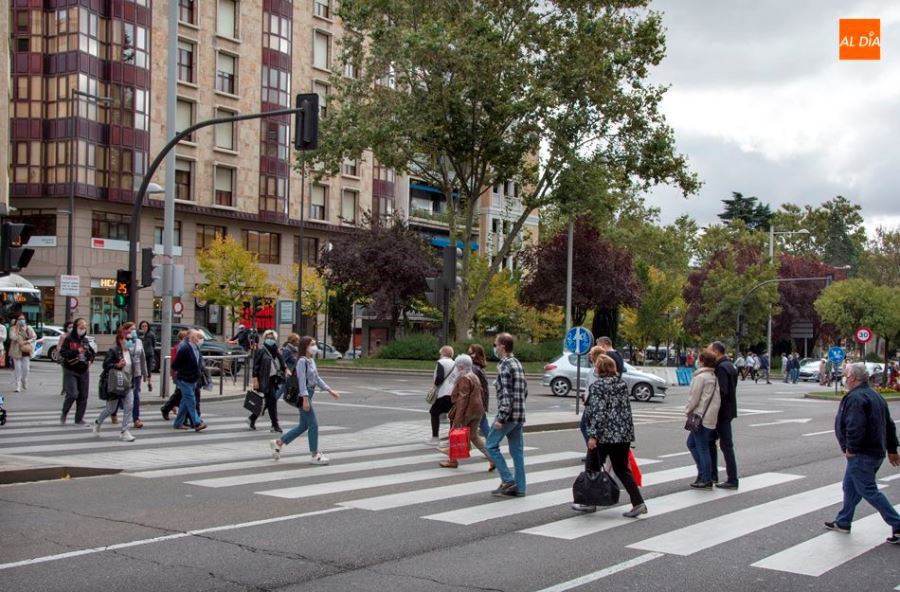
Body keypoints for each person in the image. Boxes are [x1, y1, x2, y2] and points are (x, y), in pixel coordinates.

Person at [826, 363, 900, 544]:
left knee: (868, 490)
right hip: (875, 452)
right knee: (850, 486)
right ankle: (843, 521)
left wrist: (851, 448)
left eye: (846, 374)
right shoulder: (875, 395)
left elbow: (855, 426)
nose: (844, 376)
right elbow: (889, 425)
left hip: (862, 453)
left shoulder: (856, 398)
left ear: (853, 378)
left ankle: (898, 524)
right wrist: (892, 449)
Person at [572, 354, 647, 517]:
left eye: (597, 366)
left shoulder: (598, 386)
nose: (595, 369)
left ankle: (589, 502)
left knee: (592, 467)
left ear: (601, 369)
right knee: (622, 469)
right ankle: (638, 502)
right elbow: (625, 411)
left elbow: (599, 412)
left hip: (604, 435)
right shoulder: (621, 384)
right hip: (622, 435)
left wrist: (592, 436)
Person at [270, 336, 340, 464]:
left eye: (314, 344)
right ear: (305, 347)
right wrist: (305, 399)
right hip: (304, 395)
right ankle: (315, 455)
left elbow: (317, 379)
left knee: (303, 425)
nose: (314, 347)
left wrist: (330, 390)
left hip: (310, 393)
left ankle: (279, 442)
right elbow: (302, 382)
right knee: (313, 424)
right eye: (312, 344)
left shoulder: (311, 360)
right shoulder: (302, 361)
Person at [486, 332, 528, 498]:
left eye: (495, 345)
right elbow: (524, 390)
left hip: (508, 415)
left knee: (490, 445)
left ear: (502, 346)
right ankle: (520, 488)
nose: (494, 348)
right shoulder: (517, 363)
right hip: (518, 414)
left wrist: (501, 417)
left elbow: (506, 394)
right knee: (517, 452)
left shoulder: (504, 365)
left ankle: (508, 480)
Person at [439, 354, 492, 470]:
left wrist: (458, 418)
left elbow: (462, 399)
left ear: (462, 366)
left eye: (457, 366)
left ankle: (452, 461)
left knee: (454, 433)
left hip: (466, 412)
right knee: (474, 436)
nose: (456, 369)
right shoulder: (474, 376)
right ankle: (492, 459)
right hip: (477, 411)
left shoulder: (464, 378)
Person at [91, 325, 137, 442]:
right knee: (111, 409)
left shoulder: (130, 352)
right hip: (116, 384)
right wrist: (116, 365)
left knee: (129, 406)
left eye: (130, 340)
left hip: (128, 384)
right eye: (127, 339)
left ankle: (124, 431)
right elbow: (105, 365)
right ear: (120, 340)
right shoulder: (114, 351)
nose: (129, 342)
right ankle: (98, 422)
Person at [685, 351, 721, 488]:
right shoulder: (713, 376)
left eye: (698, 359)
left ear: (702, 361)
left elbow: (694, 398)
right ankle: (703, 474)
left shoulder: (701, 377)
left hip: (700, 416)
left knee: (701, 447)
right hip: (710, 416)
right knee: (693, 443)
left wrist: (688, 410)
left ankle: (706, 477)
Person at [707, 341, 739, 489]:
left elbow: (722, 391)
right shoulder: (730, 365)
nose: (708, 353)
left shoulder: (720, 368)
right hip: (729, 409)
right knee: (716, 442)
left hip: (721, 411)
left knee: (725, 445)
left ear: (716, 352)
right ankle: (714, 475)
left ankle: (730, 479)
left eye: (709, 350)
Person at [59, 317, 95, 425]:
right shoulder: (69, 338)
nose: (83, 329)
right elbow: (63, 353)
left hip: (83, 370)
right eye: (81, 327)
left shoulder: (85, 340)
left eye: (84, 327)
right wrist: (76, 351)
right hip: (70, 369)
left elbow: (92, 353)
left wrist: (90, 360)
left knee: (83, 395)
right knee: (73, 394)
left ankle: (79, 418)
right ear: (76, 327)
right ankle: (64, 412)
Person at [170, 329, 207, 431]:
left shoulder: (196, 348)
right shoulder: (185, 348)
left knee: (185, 402)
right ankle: (197, 422)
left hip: (193, 379)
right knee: (191, 400)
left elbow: (198, 363)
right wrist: (182, 372)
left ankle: (178, 423)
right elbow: (175, 364)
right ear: (192, 337)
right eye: (198, 337)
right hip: (184, 379)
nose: (200, 339)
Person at [249, 329, 286, 432]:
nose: (270, 340)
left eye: (272, 338)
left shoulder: (276, 350)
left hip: (274, 379)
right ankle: (275, 425)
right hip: (264, 379)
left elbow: (282, 363)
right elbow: (255, 366)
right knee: (272, 400)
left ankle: (252, 418)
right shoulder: (261, 351)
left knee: (268, 402)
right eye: (268, 338)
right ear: (264, 339)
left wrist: (286, 370)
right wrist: (255, 380)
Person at [121, 322, 151, 429]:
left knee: (136, 395)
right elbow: (121, 354)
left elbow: (142, 357)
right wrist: (127, 342)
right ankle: (113, 411)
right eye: (131, 329)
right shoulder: (122, 341)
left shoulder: (138, 341)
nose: (133, 331)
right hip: (125, 372)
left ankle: (136, 418)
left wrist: (145, 373)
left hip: (137, 372)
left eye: (134, 329)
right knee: (121, 395)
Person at [428, 345, 457, 445]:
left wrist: (435, 386)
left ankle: (435, 437)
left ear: (443, 353)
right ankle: (451, 438)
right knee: (452, 416)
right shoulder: (455, 363)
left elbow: (439, 377)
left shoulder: (441, 362)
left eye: (440, 353)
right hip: (453, 393)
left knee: (434, 412)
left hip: (443, 393)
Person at [160, 329, 190, 420]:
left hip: (184, 373)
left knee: (180, 393)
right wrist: (174, 374)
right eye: (186, 337)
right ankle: (168, 408)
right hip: (179, 374)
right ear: (182, 338)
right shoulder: (178, 347)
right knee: (180, 393)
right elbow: (175, 362)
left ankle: (168, 408)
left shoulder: (185, 347)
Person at [466, 344, 491, 438]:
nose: (468, 354)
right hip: (480, 400)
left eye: (470, 352)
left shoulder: (473, 368)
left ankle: (492, 444)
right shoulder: (479, 367)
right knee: (482, 422)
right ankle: (491, 444)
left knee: (468, 424)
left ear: (475, 354)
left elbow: (471, 385)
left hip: (475, 400)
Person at [9, 313, 36, 392]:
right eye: (19, 319)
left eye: (23, 319)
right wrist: (17, 329)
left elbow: (34, 337)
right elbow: (12, 337)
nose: (21, 321)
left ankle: (24, 380)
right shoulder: (13, 328)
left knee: (26, 369)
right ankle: (18, 385)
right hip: (16, 350)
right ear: (16, 320)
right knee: (17, 368)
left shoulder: (28, 328)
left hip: (25, 350)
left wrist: (27, 341)